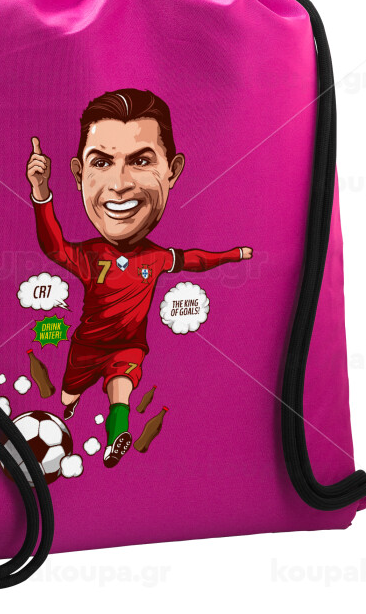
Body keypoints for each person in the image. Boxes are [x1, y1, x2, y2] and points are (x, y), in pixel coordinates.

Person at [26, 88, 252, 468]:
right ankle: (69, 405)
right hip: (87, 346)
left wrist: (234, 254)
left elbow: (195, 260)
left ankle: (116, 437)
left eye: (141, 160)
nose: (119, 184)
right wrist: (41, 192)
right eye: (102, 162)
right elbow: (54, 248)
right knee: (67, 395)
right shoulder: (90, 256)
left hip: (128, 346)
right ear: (78, 174)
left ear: (172, 170)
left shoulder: (155, 257)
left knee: (122, 391)